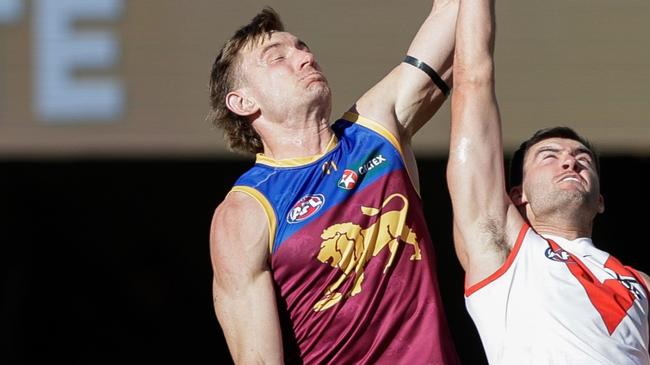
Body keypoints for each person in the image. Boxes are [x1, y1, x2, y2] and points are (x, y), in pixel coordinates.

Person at [207, 2, 461, 364]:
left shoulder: (376, 130)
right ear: (243, 101)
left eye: (303, 47)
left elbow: (452, 22)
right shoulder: (246, 209)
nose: (305, 58)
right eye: (277, 57)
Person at [447, 0, 650, 363]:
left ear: (600, 199)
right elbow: (473, 81)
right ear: (517, 195)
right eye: (550, 156)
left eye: (582, 159)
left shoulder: (642, 283)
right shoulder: (503, 248)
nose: (571, 160)